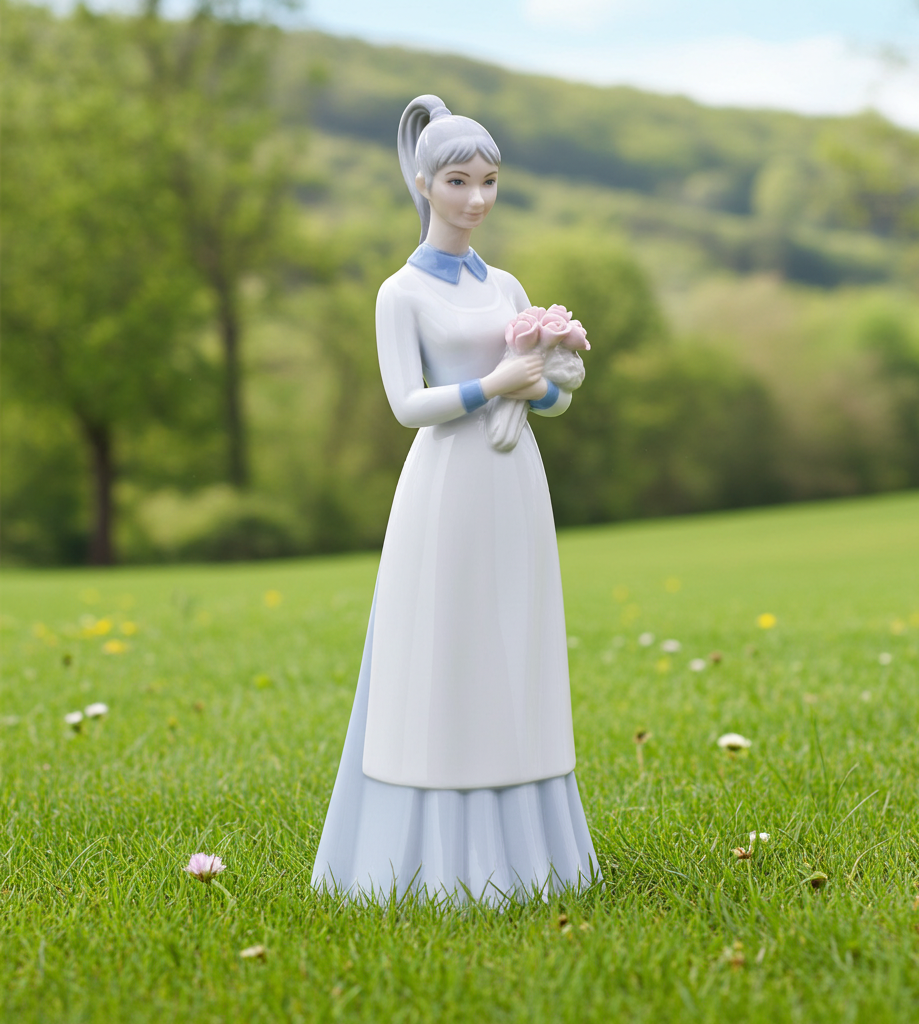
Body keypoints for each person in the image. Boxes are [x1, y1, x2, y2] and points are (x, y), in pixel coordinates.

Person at [311, 95, 600, 904]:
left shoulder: (505, 285)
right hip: (447, 489)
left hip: (514, 485)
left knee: (516, 640)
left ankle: (533, 840)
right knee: (448, 648)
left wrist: (547, 383)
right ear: (423, 183)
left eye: (489, 181)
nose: (476, 199)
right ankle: (438, 854)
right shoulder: (399, 294)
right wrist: (492, 383)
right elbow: (409, 405)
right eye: (459, 181)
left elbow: (550, 400)